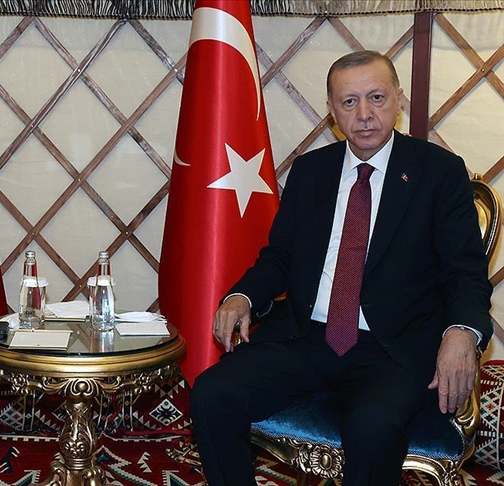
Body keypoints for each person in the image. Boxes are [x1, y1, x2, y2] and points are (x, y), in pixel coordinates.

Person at [189, 50, 492, 485]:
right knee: (213, 393)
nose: (364, 114)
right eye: (349, 102)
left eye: (376, 97)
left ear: (398, 99)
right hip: (307, 337)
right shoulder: (312, 171)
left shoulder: (438, 172)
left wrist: (461, 331)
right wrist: (242, 296)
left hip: (392, 348)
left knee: (371, 427)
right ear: (331, 110)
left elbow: (465, 272)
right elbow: (280, 257)